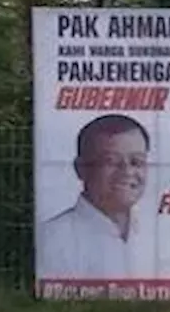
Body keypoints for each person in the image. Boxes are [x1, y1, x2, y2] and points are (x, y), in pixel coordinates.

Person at [37, 113, 156, 279]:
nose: (127, 172)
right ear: (80, 169)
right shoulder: (52, 240)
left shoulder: (158, 233)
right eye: (111, 161)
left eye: (136, 162)